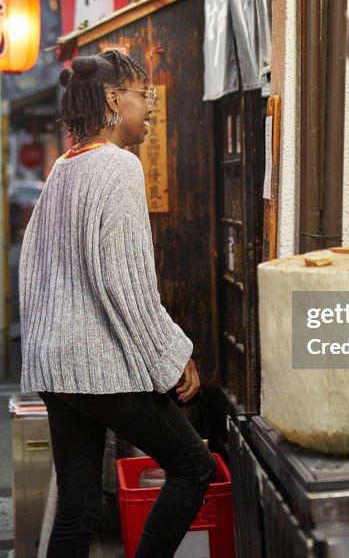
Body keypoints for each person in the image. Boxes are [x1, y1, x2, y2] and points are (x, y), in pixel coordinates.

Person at [17, 51, 216, 557]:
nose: (150, 106)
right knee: (194, 467)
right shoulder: (118, 166)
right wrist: (175, 355)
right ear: (112, 99)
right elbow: (125, 285)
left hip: (57, 370)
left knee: (79, 507)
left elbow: (35, 271)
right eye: (142, 95)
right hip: (99, 367)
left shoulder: (63, 168)